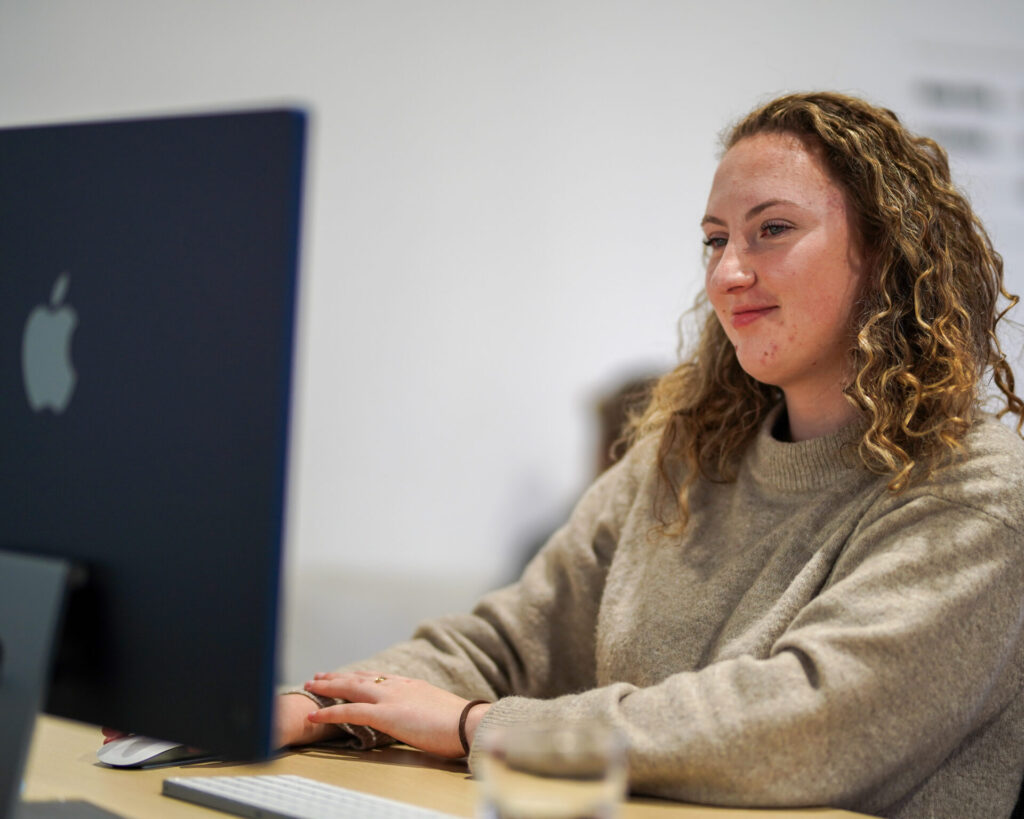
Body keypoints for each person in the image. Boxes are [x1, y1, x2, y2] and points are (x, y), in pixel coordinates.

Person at [276, 92, 1024, 819]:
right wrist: (319, 704)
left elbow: (809, 723)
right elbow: (511, 641)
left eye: (772, 229)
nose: (729, 271)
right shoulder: (682, 455)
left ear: (887, 251)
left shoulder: (976, 490)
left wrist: (481, 726)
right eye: (716, 238)